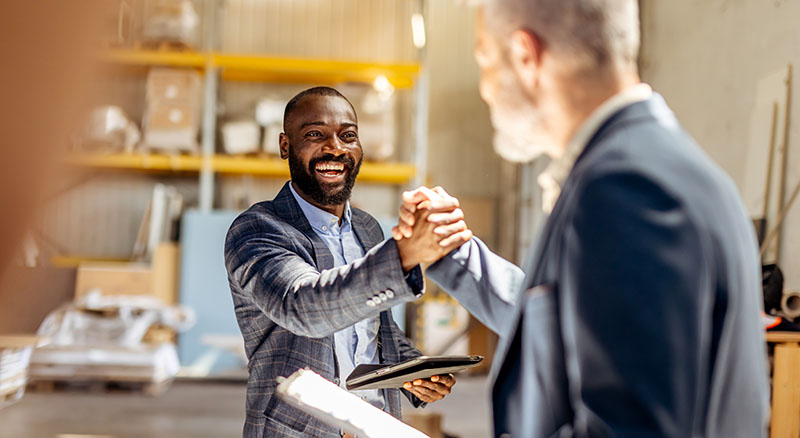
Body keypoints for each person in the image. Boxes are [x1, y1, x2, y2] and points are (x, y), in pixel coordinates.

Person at [393, 1, 769, 436]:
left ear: (525, 56)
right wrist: (451, 253)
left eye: (486, 61)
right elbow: (571, 327)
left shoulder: (629, 188)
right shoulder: (650, 166)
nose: (486, 89)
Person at [224, 87, 469, 438]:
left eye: (348, 135)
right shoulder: (258, 229)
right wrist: (404, 254)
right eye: (315, 134)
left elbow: (375, 327)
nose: (335, 148)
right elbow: (303, 307)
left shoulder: (367, 229)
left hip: (375, 426)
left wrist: (413, 370)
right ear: (285, 146)